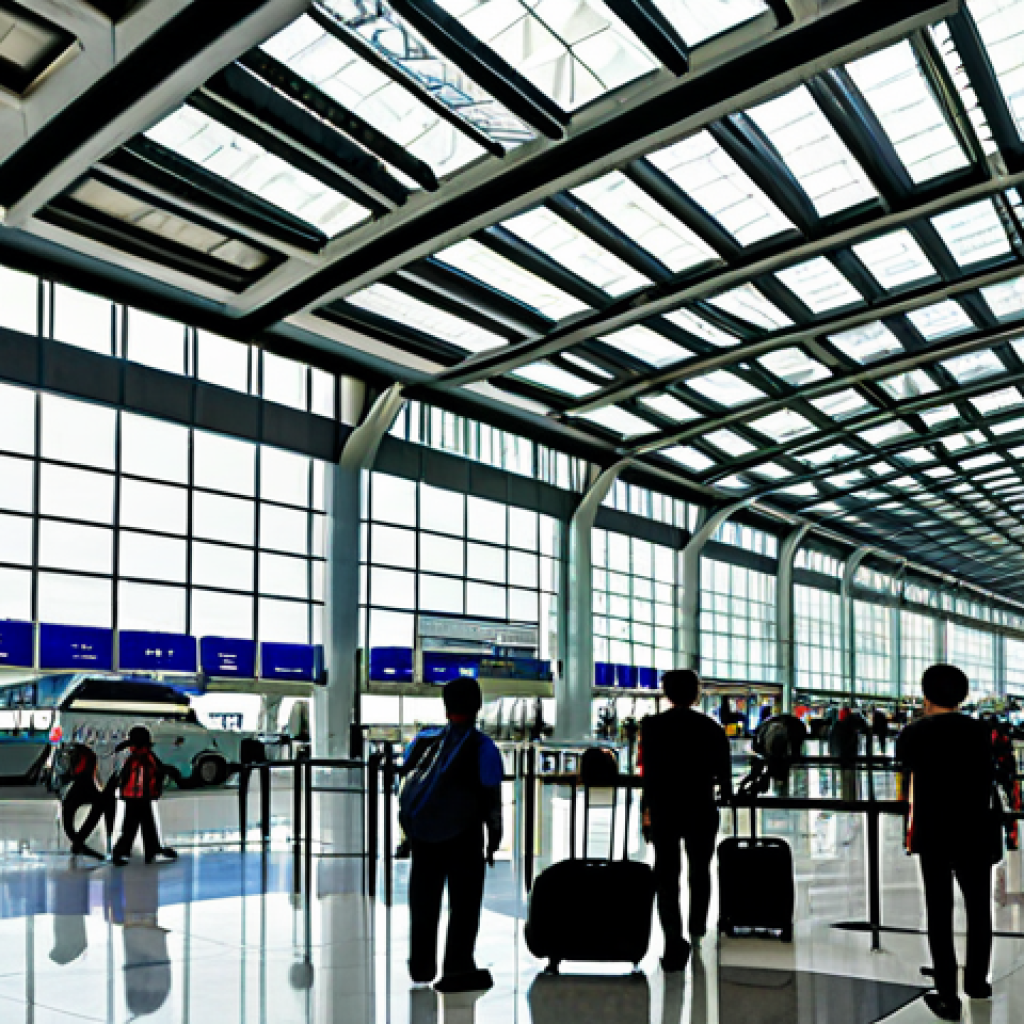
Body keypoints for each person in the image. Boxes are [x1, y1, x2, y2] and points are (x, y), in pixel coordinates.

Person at [896, 665, 996, 1021]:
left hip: (935, 832)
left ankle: (948, 996)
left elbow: (904, 771)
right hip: (976, 831)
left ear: (926, 695)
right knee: (979, 910)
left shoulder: (914, 733)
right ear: (962, 696)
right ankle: (977, 983)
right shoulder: (981, 730)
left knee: (939, 913)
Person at [399, 677, 503, 993]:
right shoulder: (484, 747)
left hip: (423, 836)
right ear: (477, 706)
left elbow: (404, 782)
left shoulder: (422, 741)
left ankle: (421, 966)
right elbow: (491, 798)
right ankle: (457, 965)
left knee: (423, 902)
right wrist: (494, 839)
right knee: (464, 904)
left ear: (446, 707)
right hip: (464, 836)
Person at [640, 669, 732, 972]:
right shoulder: (711, 728)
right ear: (695, 693)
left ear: (666, 693)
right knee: (700, 870)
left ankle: (672, 938)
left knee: (666, 874)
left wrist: (647, 812)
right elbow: (724, 776)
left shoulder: (652, 727)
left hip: (665, 807)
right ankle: (696, 928)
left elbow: (649, 775)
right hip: (700, 806)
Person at [111, 726, 178, 866]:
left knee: (132, 826)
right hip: (142, 796)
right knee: (144, 825)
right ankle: (148, 851)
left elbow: (124, 776)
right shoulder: (147, 757)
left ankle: (124, 852)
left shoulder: (133, 757)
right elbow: (154, 774)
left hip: (132, 796)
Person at [752, 712, 808, 796]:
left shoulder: (796, 730)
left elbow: (756, 745)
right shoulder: (796, 730)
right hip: (791, 730)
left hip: (789, 730)